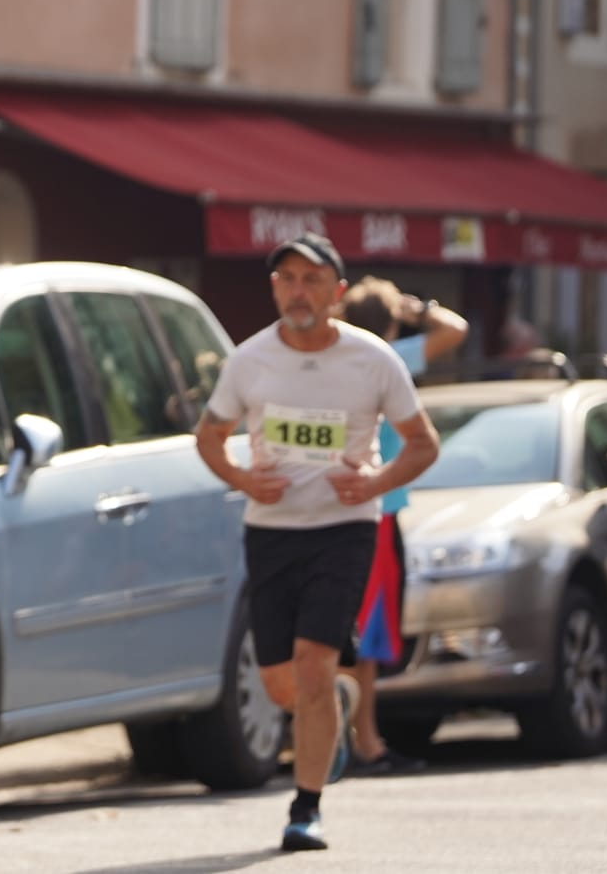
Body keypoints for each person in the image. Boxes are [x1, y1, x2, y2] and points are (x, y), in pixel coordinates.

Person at [193, 234, 440, 852]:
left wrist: (376, 483)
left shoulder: (374, 359)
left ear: (337, 292)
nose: (297, 291)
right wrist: (243, 477)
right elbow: (209, 437)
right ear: (275, 288)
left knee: (312, 661)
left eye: (311, 280)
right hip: (271, 533)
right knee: (282, 684)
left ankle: (306, 808)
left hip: (345, 531)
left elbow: (423, 443)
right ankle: (331, 701)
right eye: (286, 280)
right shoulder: (249, 360)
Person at [336, 278, 469, 775]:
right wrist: (418, 308)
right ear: (390, 324)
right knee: (364, 636)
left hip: (342, 506)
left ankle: (349, 736)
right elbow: (455, 329)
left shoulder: (342, 360)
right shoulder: (390, 357)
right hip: (378, 509)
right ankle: (364, 741)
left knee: (345, 631)